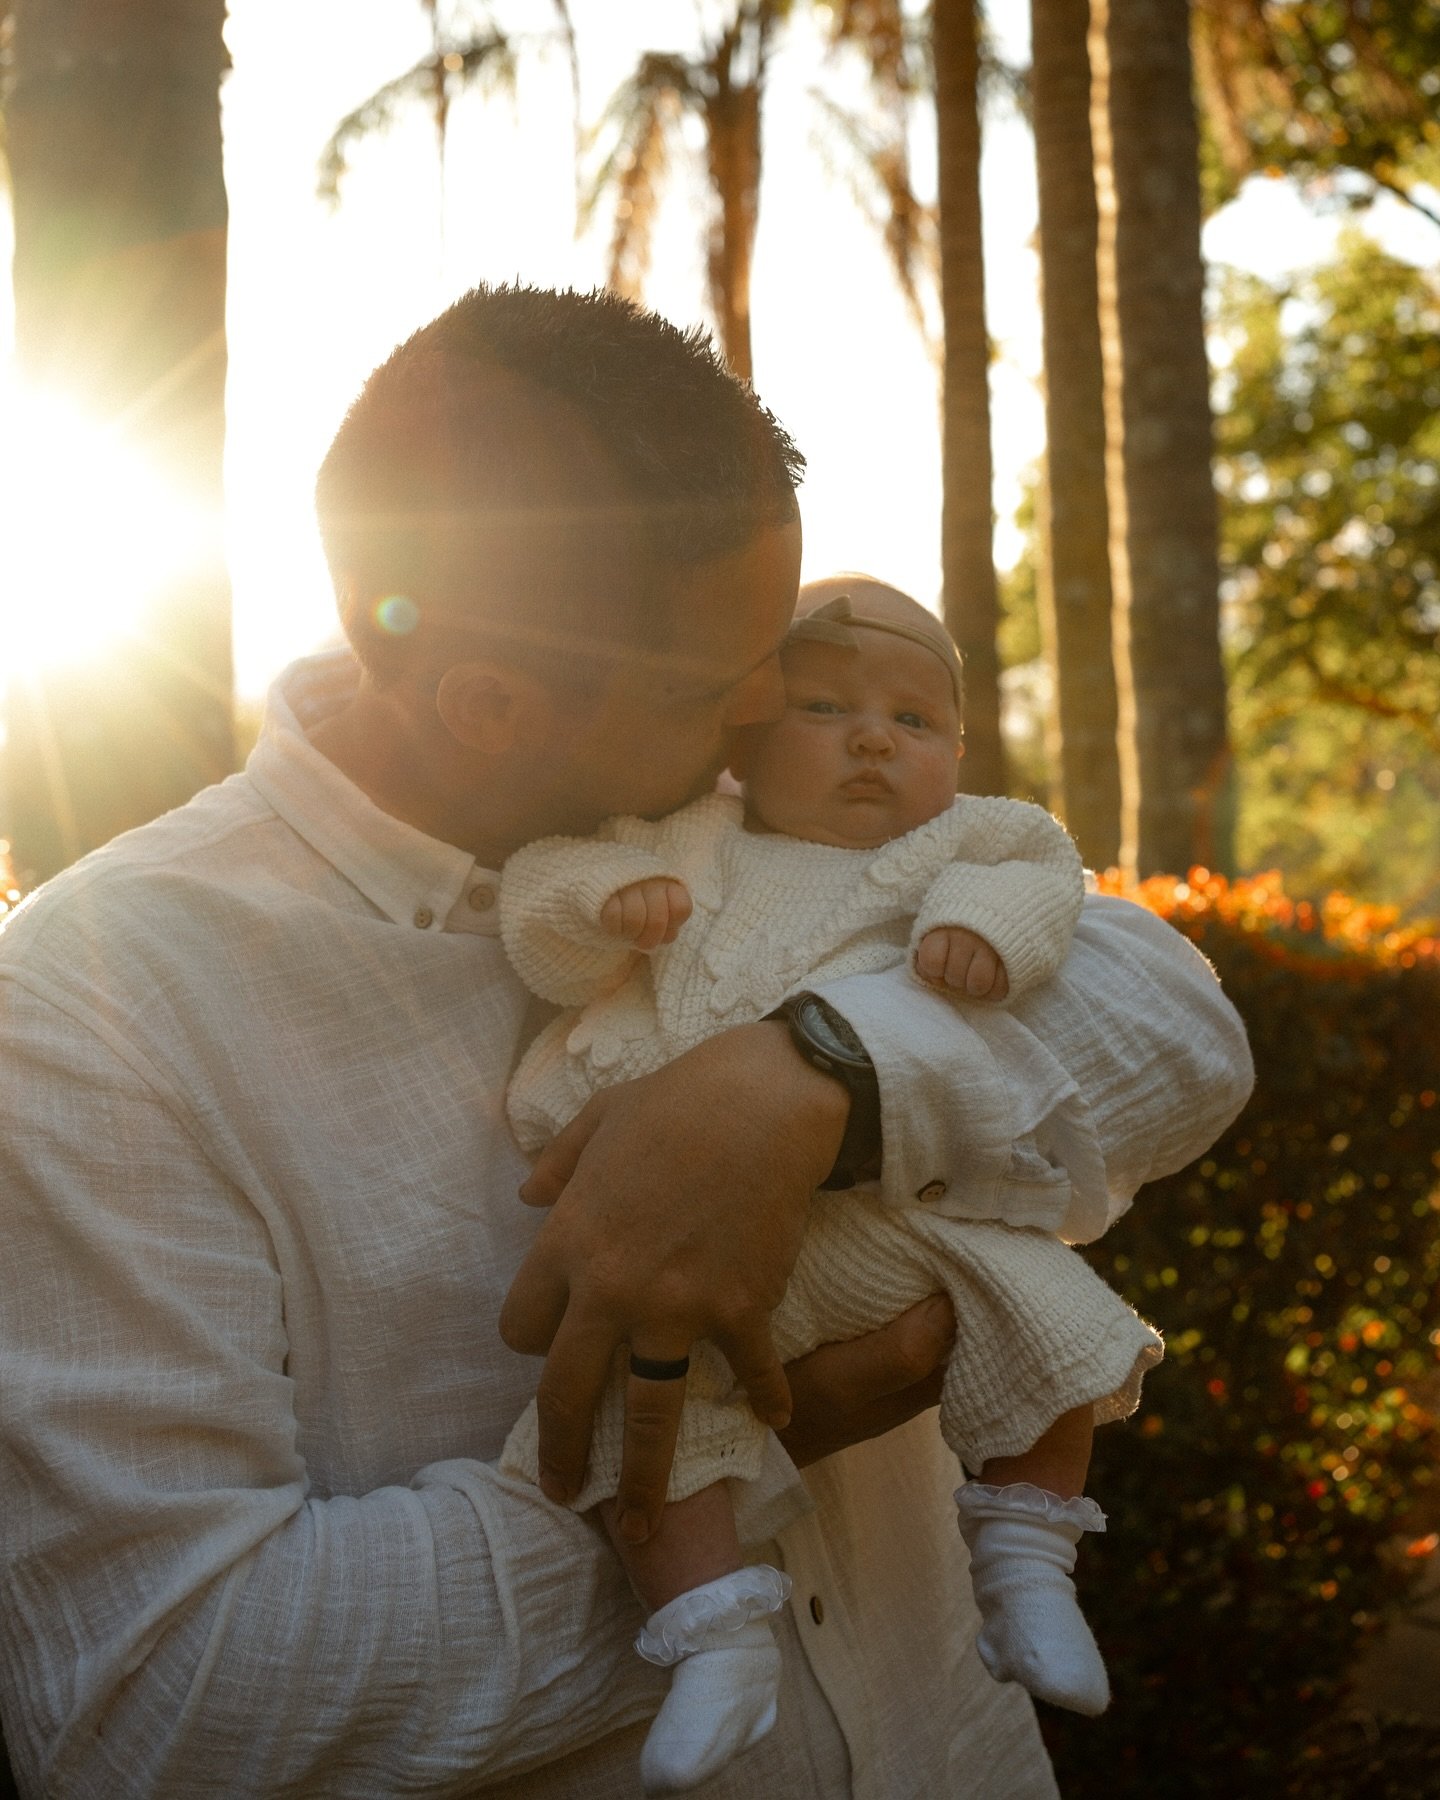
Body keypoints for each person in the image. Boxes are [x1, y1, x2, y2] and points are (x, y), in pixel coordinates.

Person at [0, 284, 1254, 1798]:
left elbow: (1169, 1013)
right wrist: (717, 1463)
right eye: (713, 687)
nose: (768, 714)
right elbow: (163, 1707)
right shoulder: (92, 1013)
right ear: (489, 702)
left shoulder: (739, 815)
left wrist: (812, 1081)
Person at [497, 576, 1162, 1791]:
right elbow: (537, 901)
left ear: (958, 754)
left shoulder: (957, 842)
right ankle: (713, 1636)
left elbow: (1037, 875)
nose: (873, 738)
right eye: (825, 705)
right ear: (743, 733)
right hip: (667, 1234)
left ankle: (1024, 1557)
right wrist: (605, 903)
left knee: (1052, 1314)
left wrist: (986, 930)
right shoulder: (683, 837)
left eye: (915, 721)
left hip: (882, 1213)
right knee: (638, 1414)